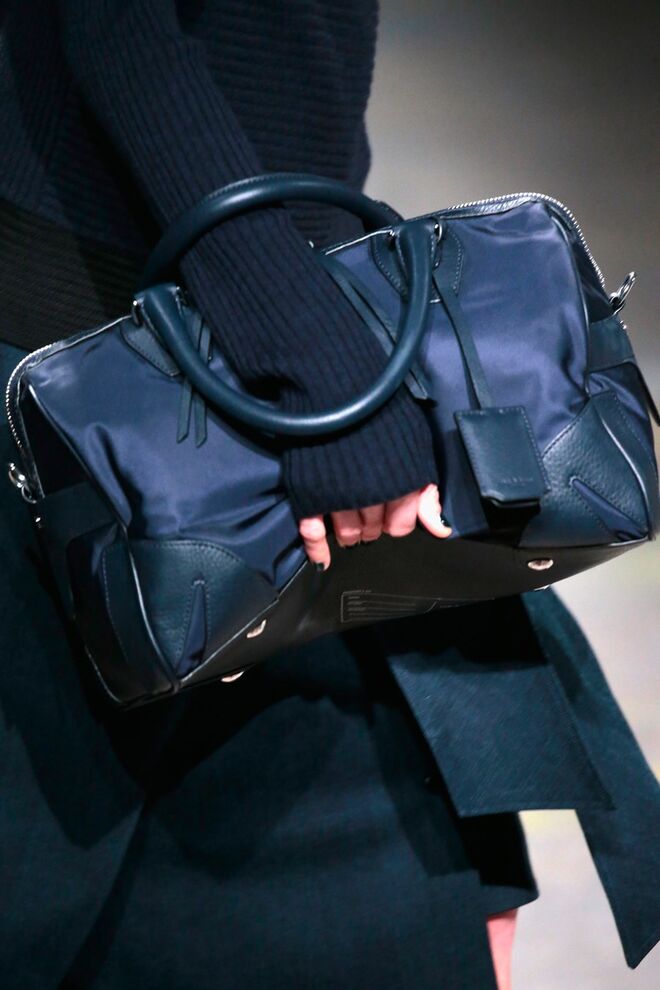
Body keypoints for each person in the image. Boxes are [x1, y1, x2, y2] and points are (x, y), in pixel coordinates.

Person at [0, 3, 657, 988]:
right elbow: (116, 26)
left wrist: (323, 337)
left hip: (285, 377)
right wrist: (312, 360)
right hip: (106, 441)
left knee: (434, 919)